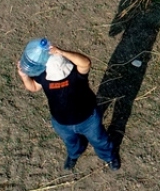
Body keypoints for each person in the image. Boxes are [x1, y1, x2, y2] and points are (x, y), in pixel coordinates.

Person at [16, 38, 120, 171]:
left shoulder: (75, 74)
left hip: (88, 120)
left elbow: (86, 62)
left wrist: (62, 52)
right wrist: (24, 76)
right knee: (71, 143)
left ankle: (109, 157)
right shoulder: (45, 75)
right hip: (62, 123)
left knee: (100, 140)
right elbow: (34, 87)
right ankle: (74, 155)